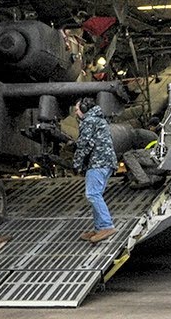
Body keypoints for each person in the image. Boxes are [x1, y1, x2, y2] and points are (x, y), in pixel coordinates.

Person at [73, 97, 117, 242]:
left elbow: (84, 145)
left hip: (98, 162)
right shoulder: (99, 119)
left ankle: (106, 226)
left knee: (92, 194)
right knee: (96, 194)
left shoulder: (89, 121)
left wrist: (77, 165)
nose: (75, 112)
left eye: (77, 109)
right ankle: (99, 228)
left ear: (84, 109)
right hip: (107, 162)